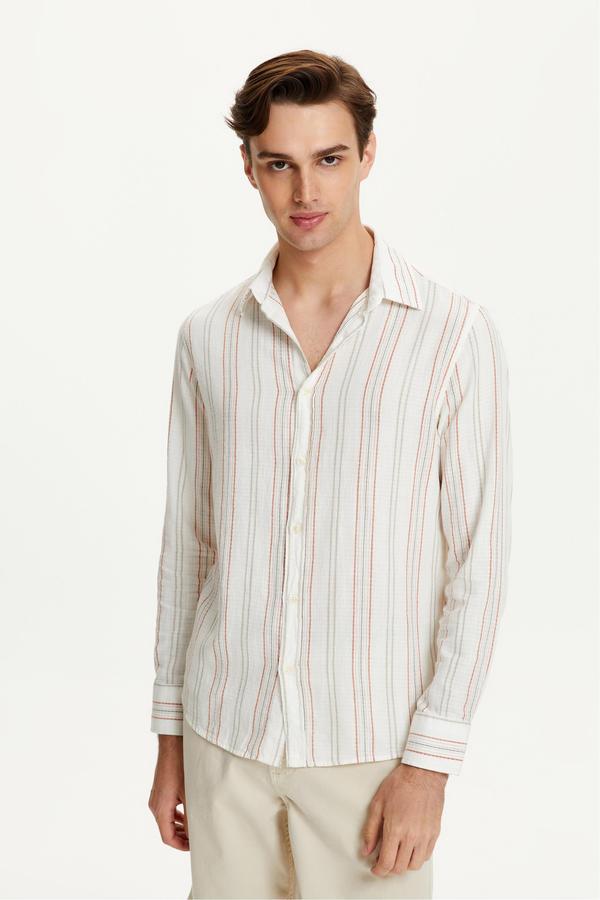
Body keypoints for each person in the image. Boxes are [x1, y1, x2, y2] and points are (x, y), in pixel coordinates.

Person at [147, 48, 513, 900]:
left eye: (329, 159)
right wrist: (171, 742)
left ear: (368, 155)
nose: (305, 191)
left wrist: (429, 766)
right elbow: (188, 550)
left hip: (370, 758)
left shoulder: (452, 336)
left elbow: (479, 565)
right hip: (225, 742)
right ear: (249, 168)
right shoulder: (209, 337)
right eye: (279, 164)